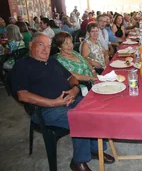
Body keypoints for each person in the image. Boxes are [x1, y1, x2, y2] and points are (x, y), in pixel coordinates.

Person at [10, 32, 115, 171]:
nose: (45, 49)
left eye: (48, 46)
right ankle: (78, 161)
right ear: (31, 45)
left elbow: (71, 77)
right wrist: (54, 102)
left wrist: (74, 89)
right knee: (81, 119)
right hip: (46, 109)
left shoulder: (52, 61)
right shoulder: (22, 65)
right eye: (41, 45)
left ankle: (95, 150)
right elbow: (22, 95)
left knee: (97, 109)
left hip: (70, 99)